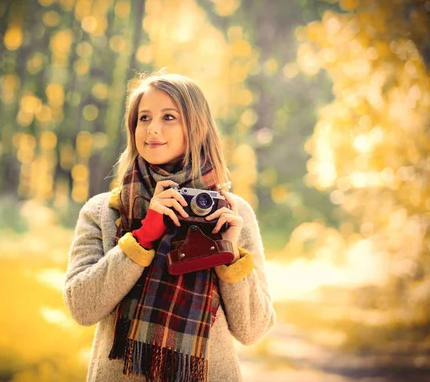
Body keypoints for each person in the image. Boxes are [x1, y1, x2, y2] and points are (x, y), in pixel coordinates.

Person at [63, 72, 275, 381]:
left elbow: (253, 330)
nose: (153, 129)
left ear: (197, 126)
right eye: (144, 118)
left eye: (169, 117)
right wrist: (142, 237)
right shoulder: (104, 211)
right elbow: (81, 308)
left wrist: (227, 255)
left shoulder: (232, 212)